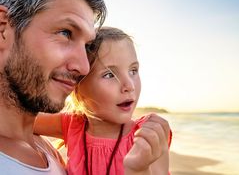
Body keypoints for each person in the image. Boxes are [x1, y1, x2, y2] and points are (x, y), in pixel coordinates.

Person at [34, 27, 172, 175]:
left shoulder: (146, 136)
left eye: (133, 71)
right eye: (109, 75)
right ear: (77, 87)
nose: (129, 86)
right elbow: (18, 122)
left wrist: (138, 170)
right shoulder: (73, 126)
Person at [0, 0, 106, 174]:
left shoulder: (49, 154)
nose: (84, 67)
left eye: (87, 46)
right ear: (3, 29)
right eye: (65, 33)